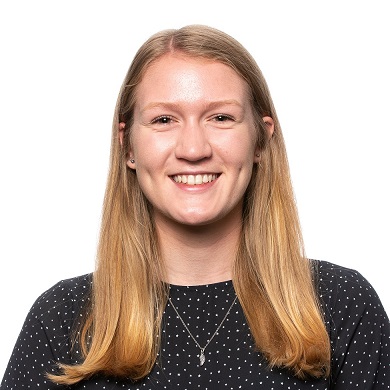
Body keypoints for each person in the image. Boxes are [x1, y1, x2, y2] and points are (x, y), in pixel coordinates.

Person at [1, 24, 389, 390]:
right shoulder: (62, 318)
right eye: (164, 119)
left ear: (260, 141)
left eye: (220, 117)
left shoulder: (340, 305)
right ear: (128, 145)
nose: (193, 149)